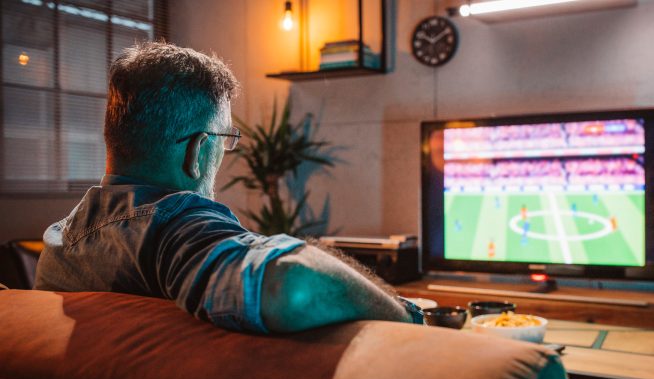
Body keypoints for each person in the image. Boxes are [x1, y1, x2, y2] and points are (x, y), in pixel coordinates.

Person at [35, 42, 420, 333]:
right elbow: (288, 283)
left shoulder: (59, 243)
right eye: (225, 139)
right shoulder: (174, 226)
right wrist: (408, 314)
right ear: (198, 149)